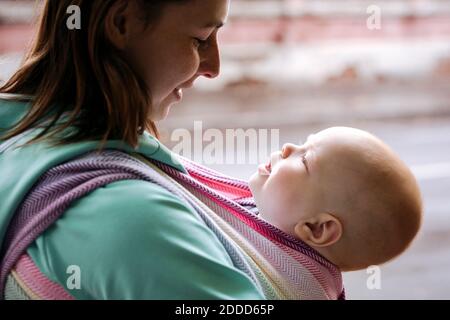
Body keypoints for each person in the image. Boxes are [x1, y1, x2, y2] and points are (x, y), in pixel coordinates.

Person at [0, 0, 265, 300]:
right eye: (200, 39)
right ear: (122, 23)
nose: (214, 67)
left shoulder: (20, 144)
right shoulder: (134, 221)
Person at [249, 127, 423, 272]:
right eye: (303, 144)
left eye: (304, 160)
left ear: (317, 228)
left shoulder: (262, 277)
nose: (287, 147)